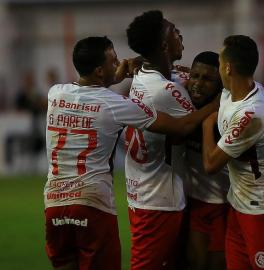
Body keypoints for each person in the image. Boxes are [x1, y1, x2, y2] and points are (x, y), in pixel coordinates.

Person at [44, 36, 217, 270]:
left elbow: (88, 90)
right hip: (92, 203)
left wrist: (114, 75)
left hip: (53, 205)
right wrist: (217, 103)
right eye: (113, 61)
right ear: (98, 71)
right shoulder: (115, 104)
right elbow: (181, 126)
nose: (120, 65)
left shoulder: (55, 93)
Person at [202, 35, 264, 270]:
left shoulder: (250, 114)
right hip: (240, 203)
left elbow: (211, 164)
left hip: (263, 209)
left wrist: (205, 125)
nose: (218, 69)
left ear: (228, 67)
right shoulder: (233, 92)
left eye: (220, 64)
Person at [125, 10, 202, 269]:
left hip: (143, 191)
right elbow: (196, 125)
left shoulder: (141, 75)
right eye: (173, 31)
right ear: (164, 45)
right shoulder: (166, 91)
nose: (179, 34)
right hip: (159, 201)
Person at [184, 51, 229, 270]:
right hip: (195, 203)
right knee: (196, 264)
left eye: (207, 79)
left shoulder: (228, 116)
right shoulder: (182, 105)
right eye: (195, 76)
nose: (198, 84)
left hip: (225, 205)